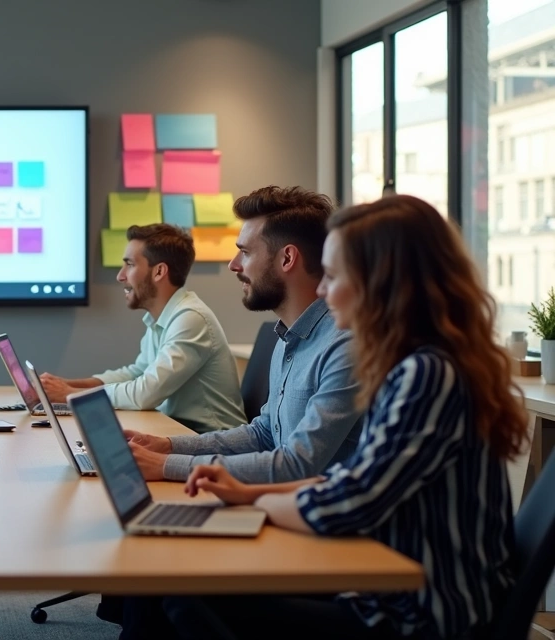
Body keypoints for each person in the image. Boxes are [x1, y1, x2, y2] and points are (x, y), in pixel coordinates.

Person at [147, 195, 524, 639]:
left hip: (419, 614)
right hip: (387, 590)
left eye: (333, 275)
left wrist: (255, 501)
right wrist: (244, 494)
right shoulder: (417, 365)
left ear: (379, 282)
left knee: (183, 591)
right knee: (182, 582)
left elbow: (350, 501)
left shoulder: (427, 373)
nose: (322, 291)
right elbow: (350, 479)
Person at [121, 187, 363, 484]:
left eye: (245, 252)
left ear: (287, 258)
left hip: (321, 522)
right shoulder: (288, 338)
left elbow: (298, 464)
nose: (234, 264)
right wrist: (168, 446)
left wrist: (167, 466)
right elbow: (263, 433)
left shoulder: (344, 347)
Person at [39, 223, 244, 432]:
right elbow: (137, 373)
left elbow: (145, 393)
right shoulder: (161, 317)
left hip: (212, 443)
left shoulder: (190, 318)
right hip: (179, 431)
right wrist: (70, 385)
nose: (120, 276)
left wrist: (69, 395)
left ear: (159, 272)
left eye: (129, 265)